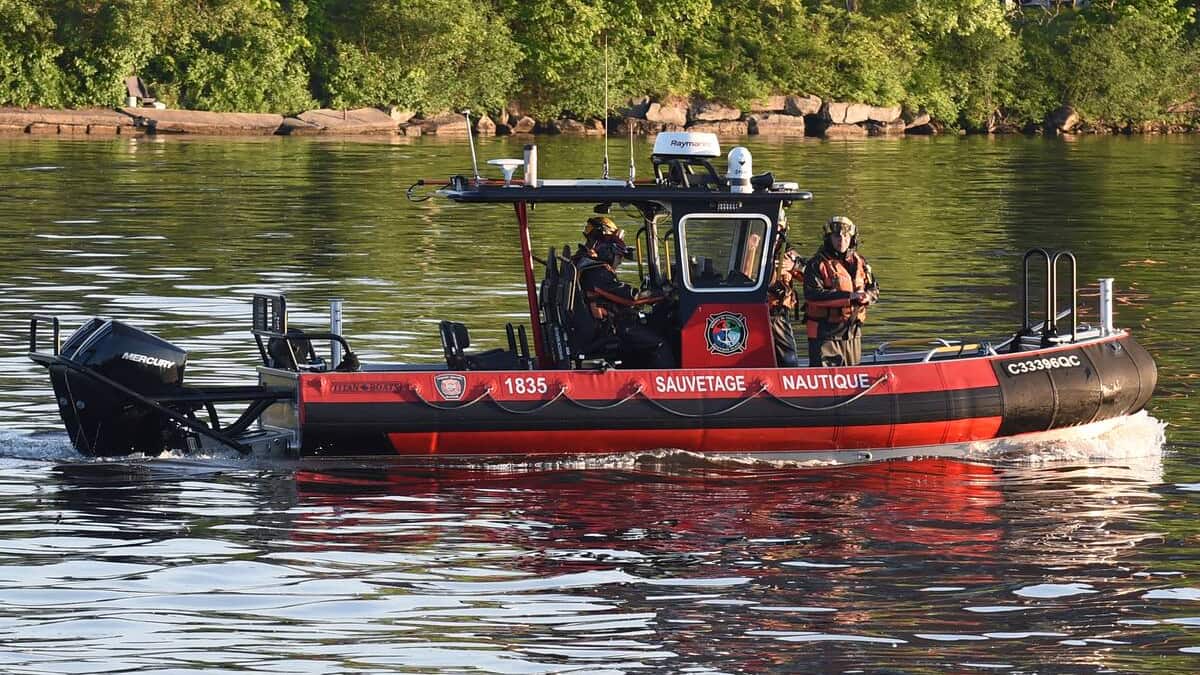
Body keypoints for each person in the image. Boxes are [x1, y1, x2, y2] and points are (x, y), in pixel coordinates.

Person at [572, 217, 674, 368]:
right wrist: (663, 293)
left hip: (602, 325)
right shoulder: (596, 272)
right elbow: (631, 298)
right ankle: (667, 387)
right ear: (608, 253)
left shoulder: (585, 264)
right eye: (619, 257)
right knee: (659, 344)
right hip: (608, 329)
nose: (620, 262)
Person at [802, 215, 878, 367]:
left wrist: (867, 297)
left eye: (845, 236)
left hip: (852, 334)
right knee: (826, 380)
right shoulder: (816, 264)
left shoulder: (860, 262)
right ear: (829, 238)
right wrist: (850, 296)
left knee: (853, 377)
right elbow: (813, 295)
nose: (841, 240)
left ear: (852, 238)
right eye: (837, 236)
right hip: (825, 335)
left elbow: (874, 288)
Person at [768, 247, 803, 367]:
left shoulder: (788, 254)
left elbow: (811, 275)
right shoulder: (754, 245)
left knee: (787, 355)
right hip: (758, 307)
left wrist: (795, 266)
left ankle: (790, 375)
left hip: (778, 310)